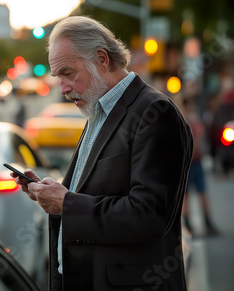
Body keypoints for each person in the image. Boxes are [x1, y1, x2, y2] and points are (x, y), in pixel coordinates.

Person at [12, 16, 193, 290]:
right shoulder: (98, 110)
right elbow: (96, 192)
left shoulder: (155, 112)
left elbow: (149, 216)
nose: (63, 89)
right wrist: (54, 192)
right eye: (58, 77)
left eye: (68, 73)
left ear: (102, 59)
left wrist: (66, 204)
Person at [181, 97, 218, 236]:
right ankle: (194, 223)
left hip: (193, 161)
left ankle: (201, 222)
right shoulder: (190, 120)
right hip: (192, 162)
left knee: (192, 194)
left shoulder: (189, 120)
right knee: (189, 194)